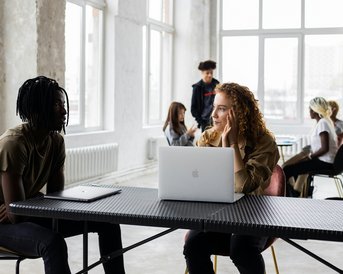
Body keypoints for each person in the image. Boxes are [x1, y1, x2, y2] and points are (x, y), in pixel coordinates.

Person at [0, 76, 125, 274]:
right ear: (37, 108)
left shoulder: (56, 142)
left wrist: (31, 202)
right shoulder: (14, 143)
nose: (64, 111)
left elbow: (55, 201)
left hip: (25, 215)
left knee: (108, 224)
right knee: (52, 242)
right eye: (57, 104)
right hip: (3, 225)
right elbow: (16, 215)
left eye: (63, 104)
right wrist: (28, 204)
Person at [184, 82, 279, 274]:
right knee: (193, 245)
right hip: (218, 213)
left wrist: (232, 145)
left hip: (255, 214)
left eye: (221, 109)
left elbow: (243, 186)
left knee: (241, 249)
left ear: (239, 114)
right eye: (214, 107)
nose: (213, 115)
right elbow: (197, 179)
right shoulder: (208, 138)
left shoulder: (264, 143)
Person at [283, 97, 338, 197]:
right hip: (326, 161)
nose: (309, 112)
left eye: (310, 109)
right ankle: (295, 193)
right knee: (294, 166)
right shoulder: (325, 122)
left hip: (325, 163)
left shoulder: (323, 123)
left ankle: (291, 195)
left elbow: (325, 148)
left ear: (315, 110)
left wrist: (309, 157)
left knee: (287, 170)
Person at [191, 60, 219, 132]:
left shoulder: (217, 84)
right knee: (206, 142)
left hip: (217, 119)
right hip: (205, 122)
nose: (210, 75)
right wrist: (201, 122)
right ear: (202, 73)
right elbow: (193, 108)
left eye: (211, 73)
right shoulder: (197, 88)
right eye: (207, 73)